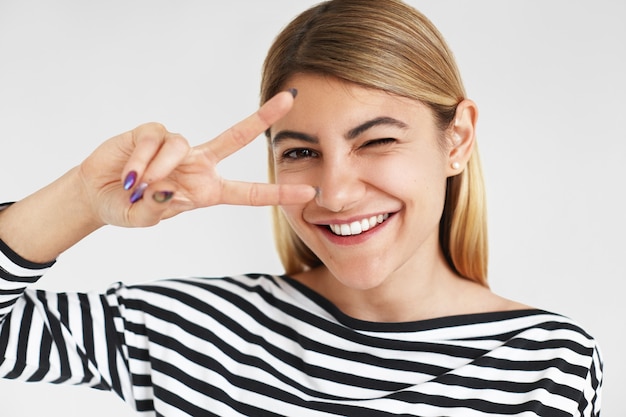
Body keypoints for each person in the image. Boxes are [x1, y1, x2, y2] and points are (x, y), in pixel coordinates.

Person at [0, 0, 602, 415]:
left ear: (458, 139)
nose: (335, 193)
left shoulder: (546, 364)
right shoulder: (199, 333)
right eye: (300, 151)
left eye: (377, 141)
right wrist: (83, 197)